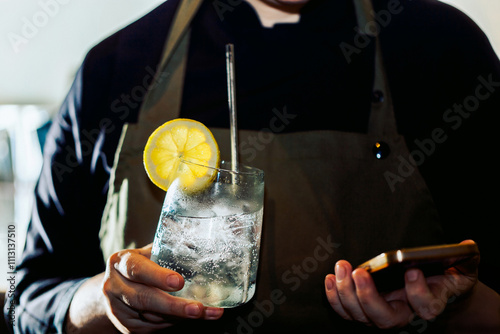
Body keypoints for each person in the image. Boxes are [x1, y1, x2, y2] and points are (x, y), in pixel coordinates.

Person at [4, 0, 500, 333]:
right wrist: (104, 300)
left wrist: (451, 308)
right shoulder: (116, 67)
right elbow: (28, 297)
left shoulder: (441, 51)